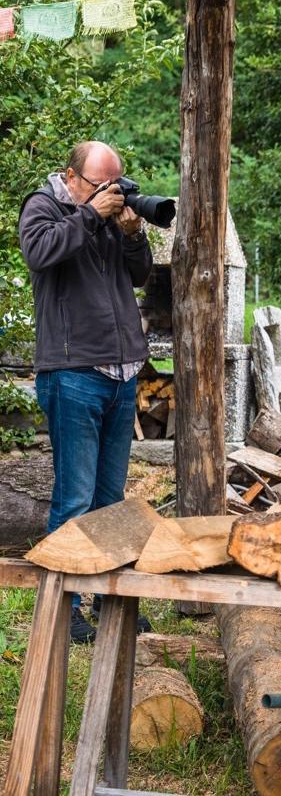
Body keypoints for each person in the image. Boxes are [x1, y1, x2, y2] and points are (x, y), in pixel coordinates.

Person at [18, 141, 154, 643]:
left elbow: (137, 275)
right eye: (100, 185)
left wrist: (133, 232)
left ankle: (108, 598)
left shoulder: (106, 212)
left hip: (121, 373)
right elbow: (39, 252)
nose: (110, 193)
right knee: (74, 497)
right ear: (71, 177)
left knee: (110, 496)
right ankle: (65, 605)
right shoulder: (44, 207)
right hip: (73, 372)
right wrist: (91, 216)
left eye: (114, 184)